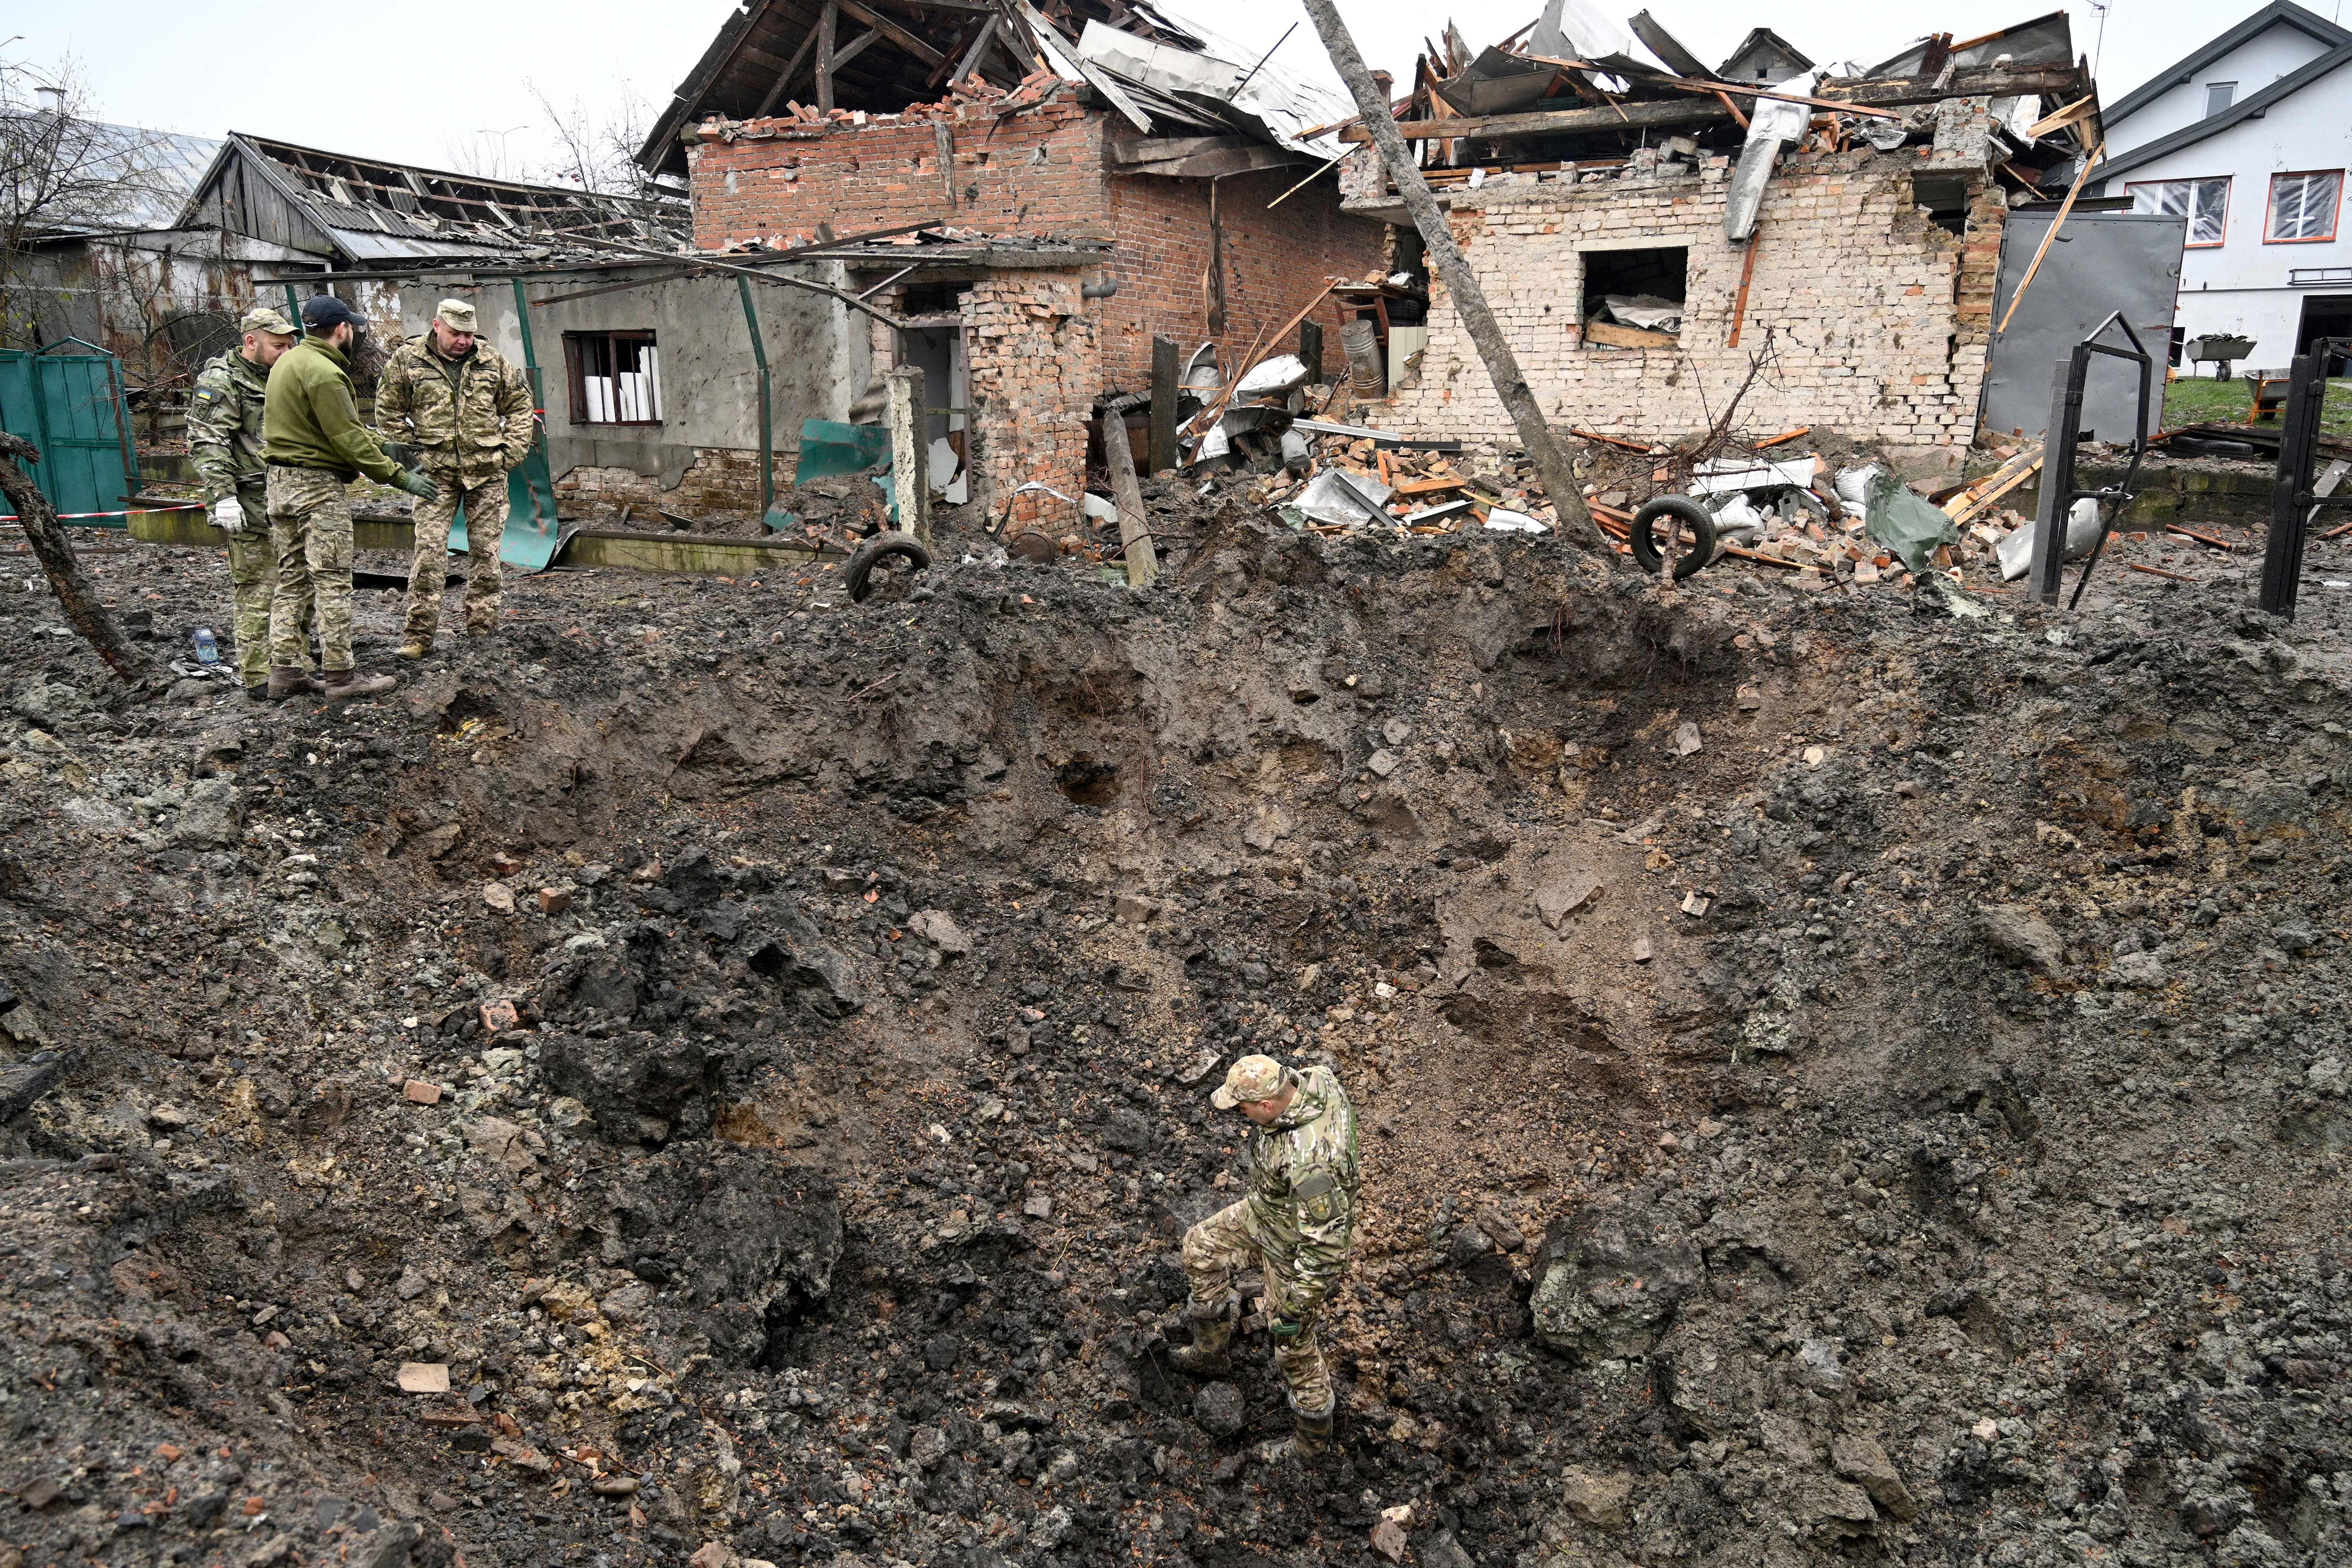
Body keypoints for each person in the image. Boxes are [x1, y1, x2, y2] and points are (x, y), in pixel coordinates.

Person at [1170, 1053, 1360, 1461]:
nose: (1240, 1114)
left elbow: (1327, 1247)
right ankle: (1211, 1351)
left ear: (1268, 1106)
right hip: (1267, 1212)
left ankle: (1311, 1444)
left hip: (1296, 1248)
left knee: (1293, 1346)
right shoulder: (1316, 1080)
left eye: (1243, 1108)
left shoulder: (1311, 1165)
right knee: (1199, 1247)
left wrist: (1295, 1309)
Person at [262, 295, 437, 701]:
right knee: (333, 580)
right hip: (315, 490)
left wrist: (379, 445)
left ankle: (285, 671)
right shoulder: (325, 372)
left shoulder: (286, 363)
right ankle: (341, 676)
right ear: (342, 329)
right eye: (353, 327)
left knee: (292, 579)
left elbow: (319, 430)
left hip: (280, 484)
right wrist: (397, 476)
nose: (355, 333)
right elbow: (346, 439)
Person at [373, 297, 536, 657]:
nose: (463, 341)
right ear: (437, 326)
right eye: (455, 334)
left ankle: (482, 630)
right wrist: (410, 464)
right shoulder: (408, 360)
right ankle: (418, 636)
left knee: (486, 554)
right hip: (434, 475)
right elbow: (388, 413)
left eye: (469, 334)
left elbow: (520, 405)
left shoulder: (491, 360)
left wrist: (511, 452)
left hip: (487, 473)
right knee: (429, 553)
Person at [189, 305, 311, 698]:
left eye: (290, 344)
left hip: (291, 498)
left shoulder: (286, 373)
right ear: (251, 342)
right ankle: (259, 676)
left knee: (299, 584)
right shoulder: (222, 382)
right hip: (250, 502)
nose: (285, 351)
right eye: (277, 345)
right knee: (260, 589)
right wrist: (223, 497)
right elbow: (208, 441)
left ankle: (296, 664)